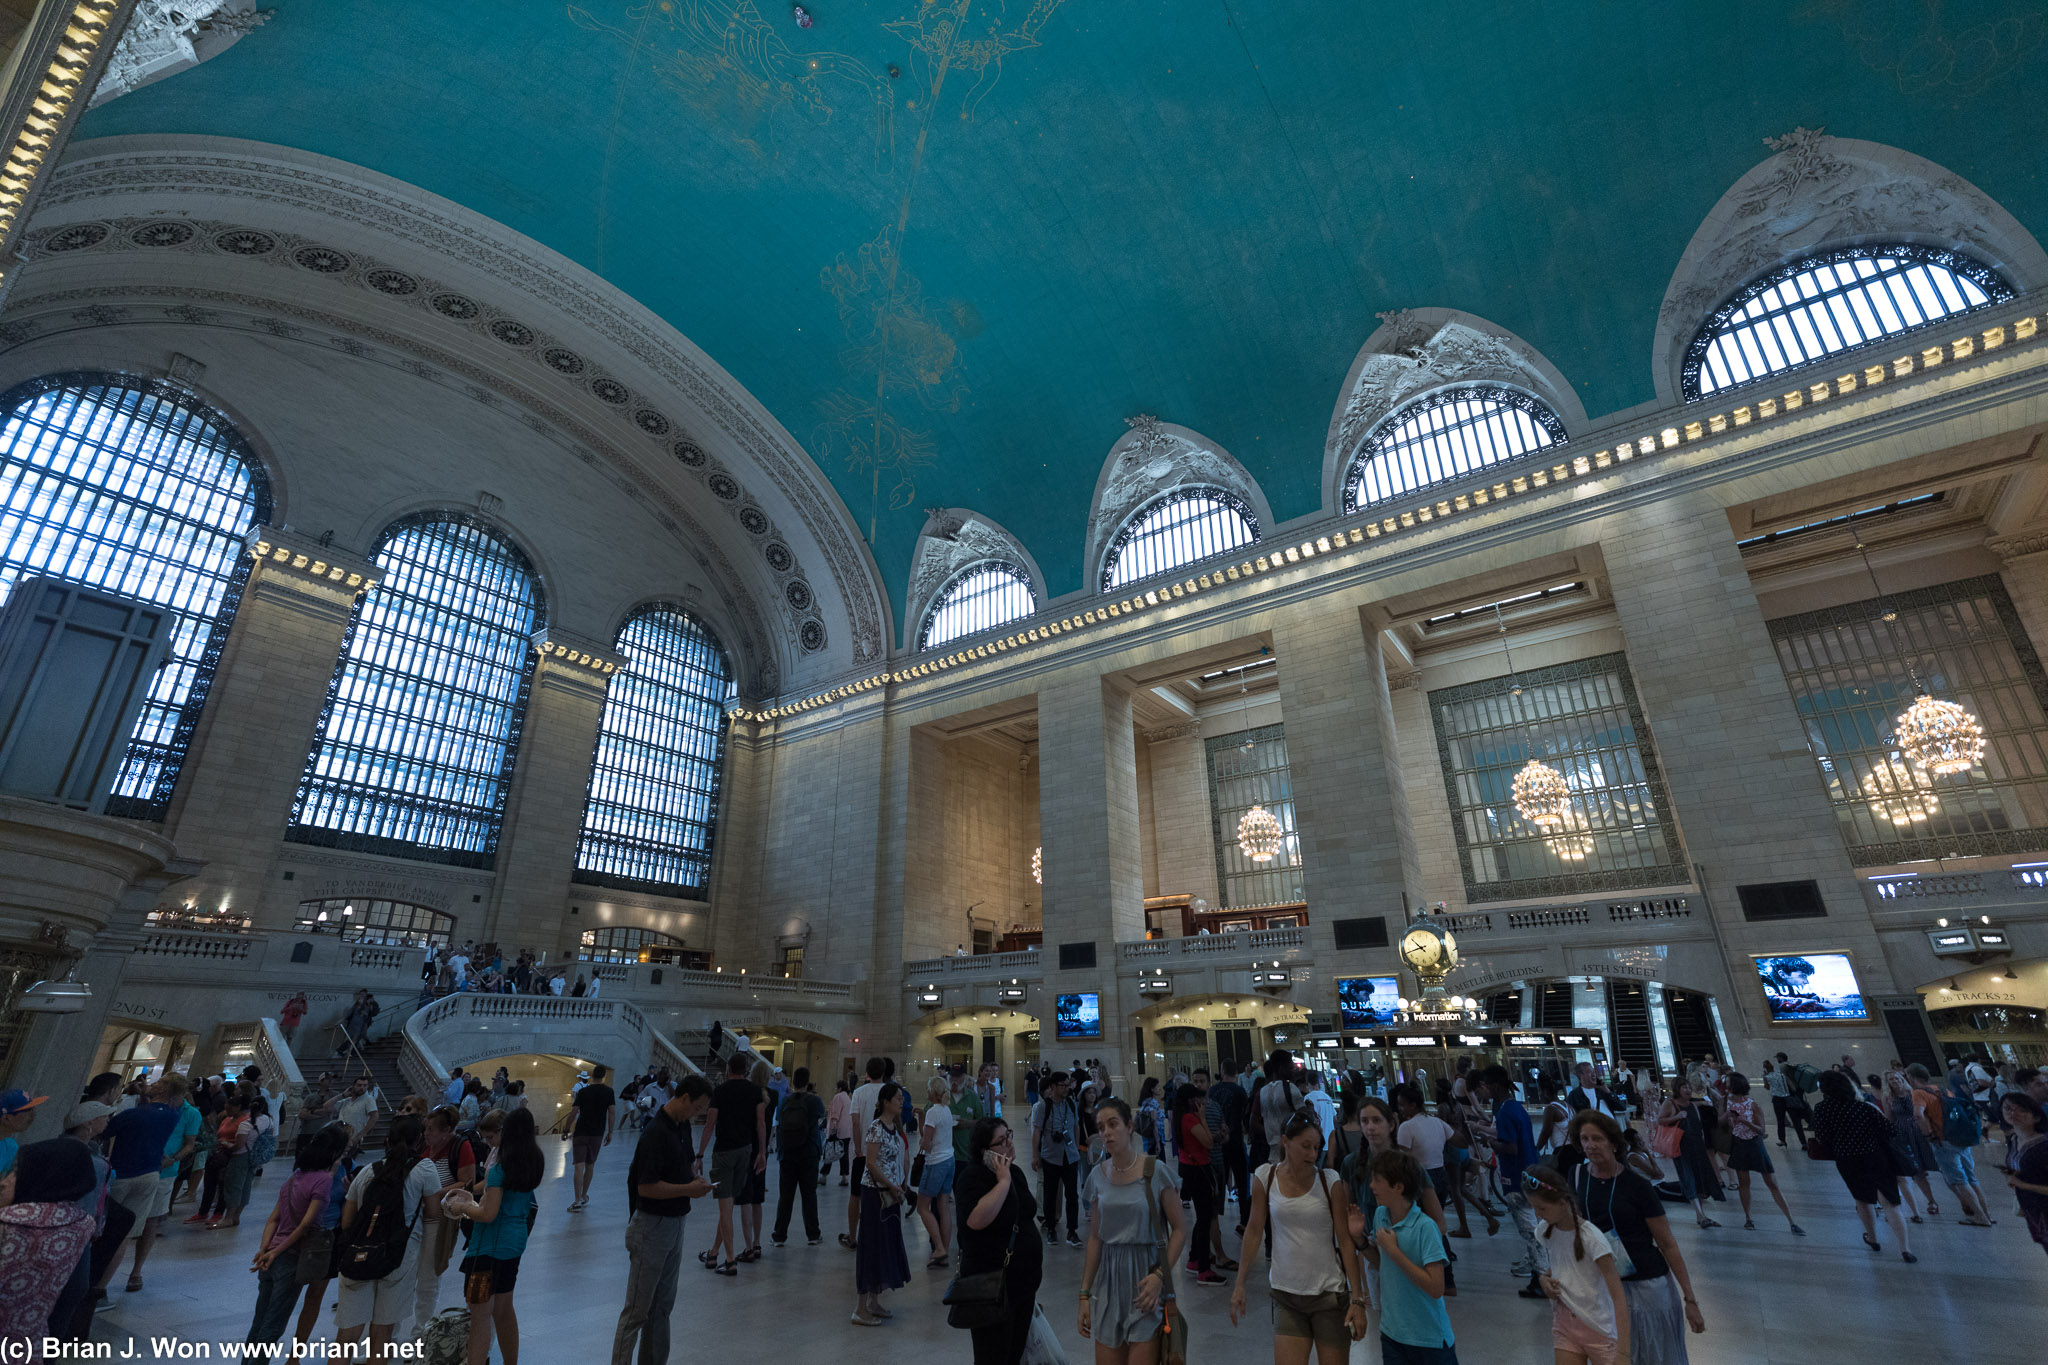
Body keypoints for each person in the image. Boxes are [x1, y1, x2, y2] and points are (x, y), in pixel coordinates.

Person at [1228, 1106, 1367, 1365]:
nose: (1313, 1154)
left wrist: (1357, 1298)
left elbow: (1345, 1242)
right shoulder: (1265, 1177)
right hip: (1286, 1295)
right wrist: (1240, 1283)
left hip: (1328, 1295)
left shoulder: (1330, 1181)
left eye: (1316, 1147)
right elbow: (1254, 1231)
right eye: (1305, 1146)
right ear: (1285, 1142)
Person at [1570, 1111, 1705, 1365]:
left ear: (1613, 1143)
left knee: (1653, 1356)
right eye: (1585, 1139)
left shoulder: (1636, 1186)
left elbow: (1667, 1243)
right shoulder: (1578, 1176)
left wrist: (1690, 1299)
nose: (1590, 1145)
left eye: (1597, 1138)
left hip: (1646, 1287)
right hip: (1606, 1283)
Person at [1075, 1096, 1192, 1365]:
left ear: (1130, 1126)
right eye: (1101, 1127)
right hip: (1108, 1283)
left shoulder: (1155, 1170)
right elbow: (1095, 1239)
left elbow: (1179, 1230)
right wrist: (1084, 1294)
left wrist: (1160, 1276)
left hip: (1145, 1280)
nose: (1106, 1132)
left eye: (1113, 1124)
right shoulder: (1097, 1175)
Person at [611, 1076, 712, 1365]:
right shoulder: (656, 1133)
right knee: (636, 1313)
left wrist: (695, 1179)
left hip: (675, 1224)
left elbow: (685, 1166)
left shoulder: (682, 1128)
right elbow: (646, 1187)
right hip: (651, 1227)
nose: (697, 1114)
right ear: (684, 1098)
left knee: (662, 1307)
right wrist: (687, 1190)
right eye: (697, 1107)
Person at [333, 1115, 441, 1356]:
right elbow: (434, 1214)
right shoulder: (425, 1168)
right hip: (400, 1256)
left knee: (347, 1335)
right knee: (382, 1332)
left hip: (358, 1255)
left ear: (387, 1140)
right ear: (419, 1141)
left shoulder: (367, 1172)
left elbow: (348, 1220)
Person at [455, 1106, 541, 1365]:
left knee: (480, 1317)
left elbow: (488, 1213)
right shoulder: (532, 1162)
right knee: (504, 1310)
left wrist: (463, 1207)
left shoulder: (500, 1170)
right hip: (514, 1244)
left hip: (487, 1250)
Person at [244, 1125, 345, 1343]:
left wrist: (265, 1249)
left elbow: (274, 1218)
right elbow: (306, 1224)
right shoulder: (324, 1180)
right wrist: (276, 1251)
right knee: (273, 1326)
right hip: (292, 1258)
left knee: (259, 1322)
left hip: (271, 1255)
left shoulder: (296, 1176)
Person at [1521, 1166, 1630, 1365]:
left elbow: (1618, 1295)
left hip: (1599, 1328)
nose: (1537, 1213)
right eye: (1533, 1207)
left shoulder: (1593, 1238)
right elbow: (1560, 1266)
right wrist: (1544, 1279)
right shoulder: (1544, 1231)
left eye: (1542, 1208)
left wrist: (1623, 1352)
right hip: (1564, 1325)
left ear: (1563, 1202)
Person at [99, 1072, 196, 1293]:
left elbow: (105, 1130)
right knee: (126, 1232)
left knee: (106, 1229)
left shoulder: (130, 1114)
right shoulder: (172, 1115)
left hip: (122, 1174)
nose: (153, 1083)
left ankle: (98, 1281)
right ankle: (104, 1287)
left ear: (163, 1090)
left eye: (159, 1082)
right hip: (150, 1173)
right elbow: (151, 1114)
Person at [957, 1116, 1042, 1365]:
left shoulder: (1014, 1171)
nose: (1009, 1143)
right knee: (993, 1356)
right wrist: (1002, 1182)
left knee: (1013, 1353)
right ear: (985, 1151)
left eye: (1009, 1136)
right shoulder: (972, 1178)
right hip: (992, 1288)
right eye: (1001, 1141)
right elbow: (976, 1220)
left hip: (1022, 1286)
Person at [0, 1139, 98, 1355]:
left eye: (17, 1171)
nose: (5, 1181)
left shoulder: (8, 1223)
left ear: (41, 1176)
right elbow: (77, 1288)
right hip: (30, 1340)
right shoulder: (82, 1223)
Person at [1808, 1070, 1915, 1263]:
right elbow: (1890, 1130)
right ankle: (1905, 1248)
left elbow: (1822, 1138)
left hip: (1847, 1160)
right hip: (1875, 1157)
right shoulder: (1864, 1107)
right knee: (1891, 1203)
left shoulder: (1822, 1109)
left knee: (1862, 1200)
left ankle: (1873, 1238)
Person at [1362, 1148, 1454, 1365]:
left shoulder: (1425, 1228)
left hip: (1429, 1339)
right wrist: (1360, 1242)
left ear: (1398, 1187)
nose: (1371, 1186)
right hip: (1392, 1332)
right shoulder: (1380, 1216)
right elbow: (1383, 1264)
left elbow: (1436, 1287)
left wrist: (1394, 1251)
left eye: (1377, 1180)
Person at [698, 1054, 766, 1273]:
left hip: (723, 1152)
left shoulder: (720, 1091)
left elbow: (709, 1124)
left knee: (725, 1206)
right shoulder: (755, 1091)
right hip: (745, 1151)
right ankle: (713, 1254)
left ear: (728, 1068)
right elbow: (761, 1123)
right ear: (745, 1069)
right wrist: (762, 1152)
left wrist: (699, 1154)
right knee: (727, 1205)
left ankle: (729, 1260)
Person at [852, 1081, 911, 1326]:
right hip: (876, 1193)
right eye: (898, 1098)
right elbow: (871, 1163)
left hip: (890, 1193)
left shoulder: (894, 1128)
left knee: (883, 1246)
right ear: (886, 1101)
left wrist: (901, 1184)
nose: (901, 1101)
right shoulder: (876, 1128)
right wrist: (891, 1184)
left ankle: (873, 1301)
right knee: (871, 1246)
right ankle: (859, 1308)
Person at [415, 1106, 477, 1332]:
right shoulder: (424, 1147)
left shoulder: (460, 1147)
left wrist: (435, 1193)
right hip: (415, 1219)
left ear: (447, 1131)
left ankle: (421, 1330)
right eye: (426, 1128)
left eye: (431, 1129)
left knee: (429, 1276)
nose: (426, 1133)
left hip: (439, 1221)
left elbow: (467, 1183)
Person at [1719, 1073, 1802, 1235]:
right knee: (1744, 1183)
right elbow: (1720, 1122)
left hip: (1754, 1144)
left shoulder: (1752, 1104)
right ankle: (1748, 1217)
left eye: (1728, 1082)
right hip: (1738, 1144)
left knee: (1771, 1181)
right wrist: (1727, 1115)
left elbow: (1761, 1130)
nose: (1726, 1085)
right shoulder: (1724, 1102)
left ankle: (1791, 1220)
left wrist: (1744, 1121)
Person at [1391, 1084, 1468, 1238]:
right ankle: (1443, 1251)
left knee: (1421, 1222)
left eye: (1402, 1105)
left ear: (1413, 1105)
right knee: (1437, 1219)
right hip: (1440, 1175)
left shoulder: (1407, 1127)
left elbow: (1401, 1158)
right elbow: (1461, 1142)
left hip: (1418, 1177)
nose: (1400, 1109)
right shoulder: (1437, 1122)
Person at [1922, 1064, 1995, 1225]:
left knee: (1958, 1180)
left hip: (1944, 1140)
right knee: (1971, 1177)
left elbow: (1918, 1115)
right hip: (1958, 1137)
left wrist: (1928, 1134)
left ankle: (1980, 1216)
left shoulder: (1919, 1094)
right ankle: (1986, 1214)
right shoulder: (1943, 1090)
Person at [1653, 1080, 1721, 1228]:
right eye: (1685, 1087)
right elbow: (1660, 1120)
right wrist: (1677, 1117)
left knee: (1700, 1180)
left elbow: (1698, 1126)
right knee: (1688, 1179)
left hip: (1697, 1147)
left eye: (1689, 1087)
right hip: (1681, 1148)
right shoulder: (1670, 1103)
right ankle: (1700, 1215)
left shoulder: (1692, 1106)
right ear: (1678, 1089)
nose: (1688, 1090)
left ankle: (1702, 1216)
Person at [771, 1067, 826, 1247]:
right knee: (809, 1194)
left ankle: (779, 1235)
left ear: (793, 1082)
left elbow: (779, 1119)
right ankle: (813, 1234)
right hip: (809, 1153)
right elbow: (820, 1118)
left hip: (787, 1154)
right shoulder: (814, 1101)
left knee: (785, 1196)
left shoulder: (786, 1101)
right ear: (808, 1081)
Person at [1031, 1070, 1083, 1247]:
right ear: (1053, 1087)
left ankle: (1072, 1231)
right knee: (1050, 1194)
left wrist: (1075, 1147)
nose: (1066, 1089)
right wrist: (1035, 1155)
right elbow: (1037, 1131)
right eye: (1063, 1086)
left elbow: (1076, 1125)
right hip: (1051, 1155)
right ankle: (1051, 1229)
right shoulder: (1043, 1106)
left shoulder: (1071, 1103)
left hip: (1070, 1156)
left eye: (1068, 1085)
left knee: (1072, 1195)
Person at [843, 1057, 886, 1248]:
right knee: (882, 1194)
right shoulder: (889, 1092)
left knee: (856, 1194)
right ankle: (878, 1235)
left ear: (867, 1073)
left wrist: (858, 1148)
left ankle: (853, 1235)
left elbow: (855, 1121)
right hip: (883, 1152)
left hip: (863, 1152)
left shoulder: (859, 1093)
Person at [1999, 1090, 2048, 1258]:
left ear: (2036, 1116)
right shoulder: (2014, 1141)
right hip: (2033, 1208)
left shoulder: (2043, 1145)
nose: (2014, 1113)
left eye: (2022, 1110)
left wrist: (2023, 1184)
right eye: (2008, 1108)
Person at [917, 1074, 957, 1267]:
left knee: (923, 1207)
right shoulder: (946, 1110)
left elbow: (926, 1143)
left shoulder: (933, 1111)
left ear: (933, 1092)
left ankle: (939, 1247)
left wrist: (922, 1141)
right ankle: (945, 1250)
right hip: (949, 1159)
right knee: (943, 1206)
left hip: (936, 1163)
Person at [567, 1064, 615, 1213]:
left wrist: (566, 1128)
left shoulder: (583, 1091)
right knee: (590, 1165)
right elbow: (612, 1112)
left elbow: (574, 1111)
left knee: (578, 1165)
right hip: (597, 1132)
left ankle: (576, 1200)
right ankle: (583, 1196)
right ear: (603, 1076)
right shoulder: (609, 1092)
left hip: (581, 1131)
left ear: (592, 1075)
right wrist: (610, 1132)